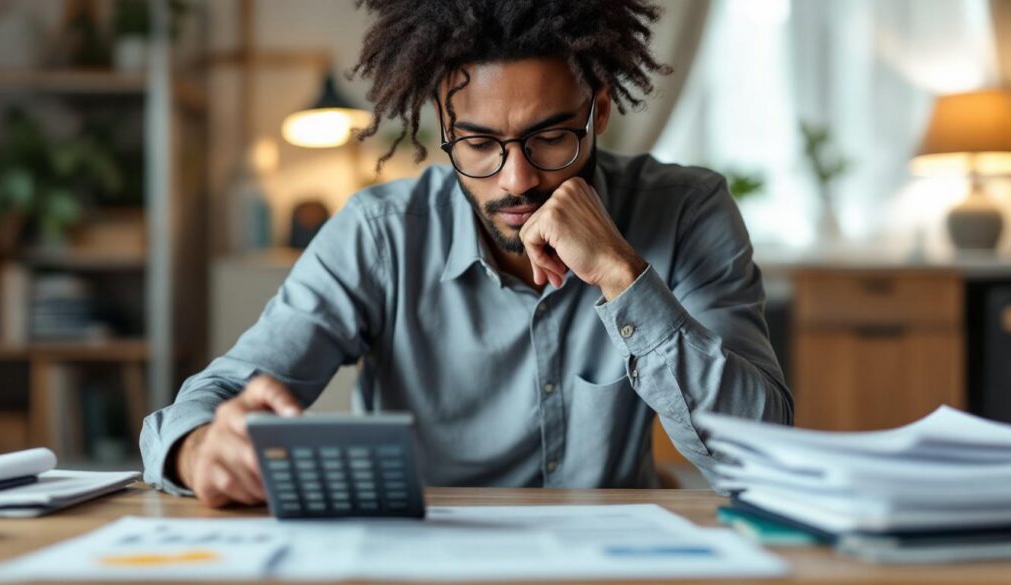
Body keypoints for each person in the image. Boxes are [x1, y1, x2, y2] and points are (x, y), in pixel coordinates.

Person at [141, 0, 792, 508]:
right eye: (479, 143)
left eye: (550, 137)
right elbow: (210, 399)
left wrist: (625, 276)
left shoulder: (685, 212)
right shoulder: (379, 235)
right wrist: (202, 451)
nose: (515, 180)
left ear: (598, 109)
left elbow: (759, 455)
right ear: (443, 126)